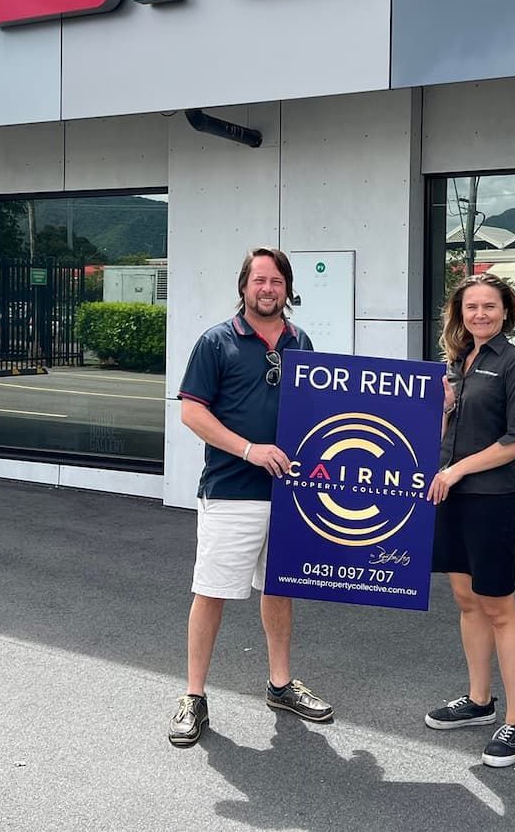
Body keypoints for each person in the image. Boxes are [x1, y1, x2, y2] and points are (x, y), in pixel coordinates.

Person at [168, 248, 333, 748]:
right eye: (259, 280)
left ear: (287, 288)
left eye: (277, 280)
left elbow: (320, 408)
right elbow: (192, 413)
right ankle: (194, 696)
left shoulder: (301, 341)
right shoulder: (216, 341)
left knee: (279, 589)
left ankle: (280, 685)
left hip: (290, 495)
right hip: (231, 491)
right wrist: (248, 449)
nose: (268, 288)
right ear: (244, 286)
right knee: (211, 592)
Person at [423, 272, 515, 768]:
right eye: (471, 307)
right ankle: (478, 701)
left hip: (491, 499)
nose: (480, 315)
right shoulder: (456, 364)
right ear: (460, 314)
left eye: (489, 307)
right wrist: (444, 412)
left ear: (506, 311)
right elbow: (446, 433)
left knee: (499, 607)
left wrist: (455, 471)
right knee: (466, 600)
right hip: (450, 497)